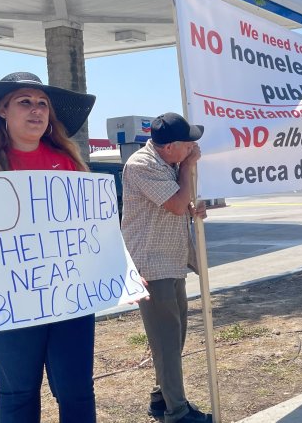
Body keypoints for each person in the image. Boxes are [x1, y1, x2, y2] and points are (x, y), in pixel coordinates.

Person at [0, 72, 97, 422]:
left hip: (67, 297)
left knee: (77, 390)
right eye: (24, 102)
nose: (36, 110)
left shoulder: (69, 163)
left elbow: (91, 232)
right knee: (18, 392)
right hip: (6, 300)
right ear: (2, 112)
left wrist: (122, 273)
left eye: (43, 104)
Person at [120, 112, 211, 423]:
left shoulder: (167, 163)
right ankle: (177, 411)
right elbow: (173, 204)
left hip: (170, 260)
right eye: (188, 144)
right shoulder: (142, 164)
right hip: (152, 264)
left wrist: (192, 207)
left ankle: (162, 397)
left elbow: (178, 205)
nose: (193, 149)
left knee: (175, 335)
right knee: (167, 340)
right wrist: (187, 169)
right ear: (171, 146)